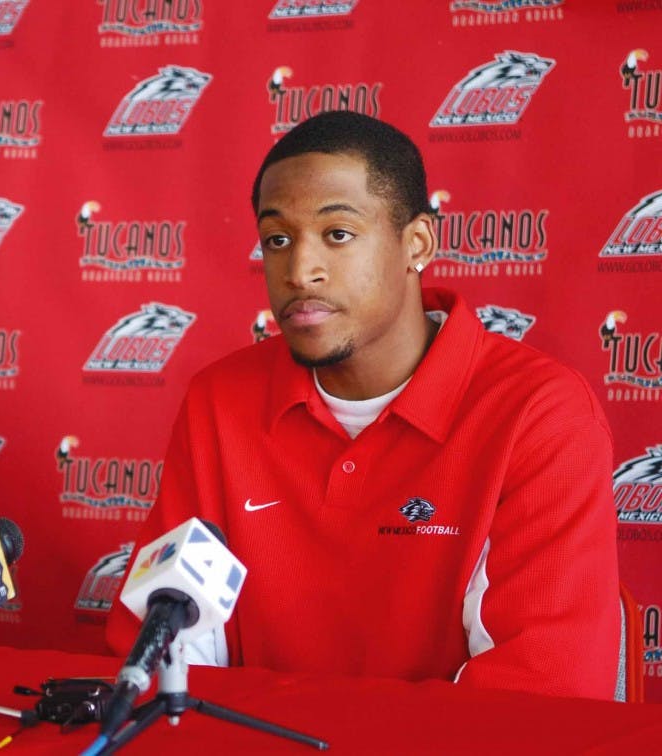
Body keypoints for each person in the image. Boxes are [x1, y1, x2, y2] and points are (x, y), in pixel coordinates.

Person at [105, 110, 621, 700]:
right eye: (278, 240)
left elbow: (537, 696)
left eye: (338, 234)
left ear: (417, 243)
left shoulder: (539, 414)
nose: (301, 272)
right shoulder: (218, 401)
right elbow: (159, 652)